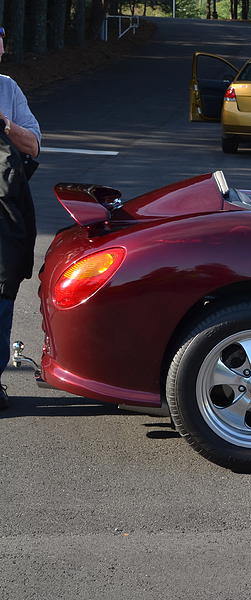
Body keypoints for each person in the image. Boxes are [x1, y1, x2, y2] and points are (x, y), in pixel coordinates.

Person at [0, 24, 42, 410]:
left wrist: (6, 125)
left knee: (1, 297)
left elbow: (34, 144)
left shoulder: (8, 88)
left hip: (5, 211)